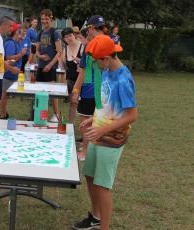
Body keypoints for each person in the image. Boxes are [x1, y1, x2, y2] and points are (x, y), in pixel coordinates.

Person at [72, 34, 137, 230]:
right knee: (90, 175)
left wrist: (103, 128)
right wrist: (94, 119)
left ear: (107, 58)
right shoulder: (107, 71)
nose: (94, 65)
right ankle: (96, 217)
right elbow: (106, 104)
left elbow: (131, 115)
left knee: (102, 185)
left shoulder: (124, 80)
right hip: (98, 134)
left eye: (96, 62)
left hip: (112, 139)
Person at [71, 15, 109, 161]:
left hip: (88, 90)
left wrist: (75, 91)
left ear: (92, 28)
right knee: (99, 120)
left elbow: (83, 72)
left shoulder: (90, 47)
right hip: (103, 90)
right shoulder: (108, 43)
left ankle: (85, 151)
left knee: (87, 122)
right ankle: (94, 149)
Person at [36, 9, 63, 122]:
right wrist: (40, 57)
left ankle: (56, 115)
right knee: (40, 92)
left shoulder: (54, 32)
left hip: (50, 67)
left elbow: (60, 51)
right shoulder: (40, 33)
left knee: (52, 92)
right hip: (41, 66)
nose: (44, 21)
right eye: (42, 19)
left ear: (51, 19)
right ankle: (41, 114)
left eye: (46, 19)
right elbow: (36, 51)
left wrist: (50, 64)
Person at [0, 24, 28, 119]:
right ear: (16, 32)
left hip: (13, 74)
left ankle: (3, 113)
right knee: (4, 95)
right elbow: (8, 57)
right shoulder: (10, 43)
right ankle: (2, 115)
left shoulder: (15, 42)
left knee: (6, 95)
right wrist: (21, 54)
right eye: (19, 30)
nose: (22, 32)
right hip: (8, 74)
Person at [61, 27, 84, 123]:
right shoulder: (65, 49)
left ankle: (86, 125)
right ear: (64, 39)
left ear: (74, 35)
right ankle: (71, 126)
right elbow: (63, 66)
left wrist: (79, 61)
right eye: (66, 37)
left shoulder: (82, 46)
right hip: (70, 80)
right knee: (73, 104)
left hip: (82, 81)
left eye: (70, 35)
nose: (69, 38)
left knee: (83, 104)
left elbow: (87, 65)